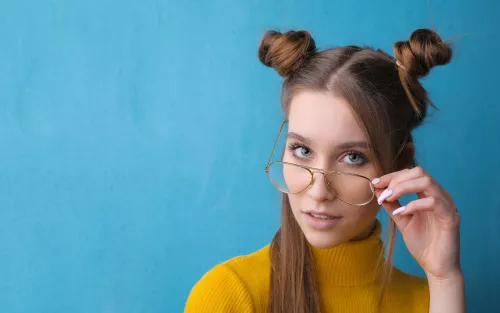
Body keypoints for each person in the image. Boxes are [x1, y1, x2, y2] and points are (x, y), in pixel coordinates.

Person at [184, 28, 464, 313]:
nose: (318, 191)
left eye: (353, 157)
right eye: (302, 151)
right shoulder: (230, 295)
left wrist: (445, 278)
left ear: (401, 164)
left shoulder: (431, 302)